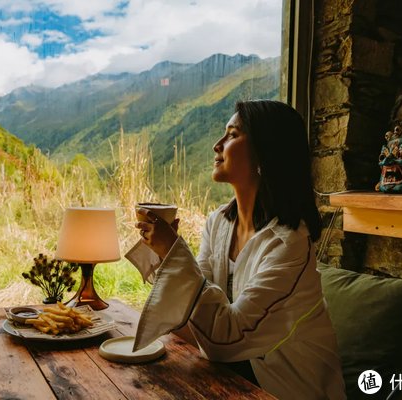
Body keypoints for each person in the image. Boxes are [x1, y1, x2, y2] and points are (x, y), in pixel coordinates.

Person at [134, 100, 346, 399]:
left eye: (232, 135)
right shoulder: (218, 222)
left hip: (284, 388)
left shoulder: (289, 244)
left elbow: (224, 339)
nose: (217, 145)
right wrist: (163, 252)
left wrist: (173, 253)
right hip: (229, 376)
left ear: (266, 153)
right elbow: (190, 315)